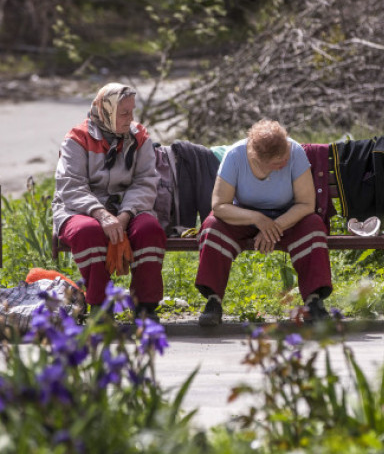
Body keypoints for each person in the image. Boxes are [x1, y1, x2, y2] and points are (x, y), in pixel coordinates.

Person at [194, 119, 333, 326]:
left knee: (313, 224)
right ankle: (213, 301)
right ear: (257, 159)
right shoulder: (235, 156)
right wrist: (258, 219)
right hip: (244, 216)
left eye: (285, 157)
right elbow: (220, 206)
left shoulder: (295, 152)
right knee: (213, 226)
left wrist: (273, 227)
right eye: (278, 163)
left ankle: (314, 301)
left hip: (288, 217)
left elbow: (306, 204)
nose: (284, 163)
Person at [52, 82, 166, 320]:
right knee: (88, 232)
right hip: (80, 210)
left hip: (128, 209)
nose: (130, 118)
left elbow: (146, 181)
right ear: (106, 111)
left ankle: (145, 306)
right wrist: (101, 214)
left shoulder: (140, 137)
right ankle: (100, 306)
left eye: (132, 111)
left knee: (149, 230)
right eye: (124, 113)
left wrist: (124, 216)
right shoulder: (77, 138)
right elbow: (70, 186)